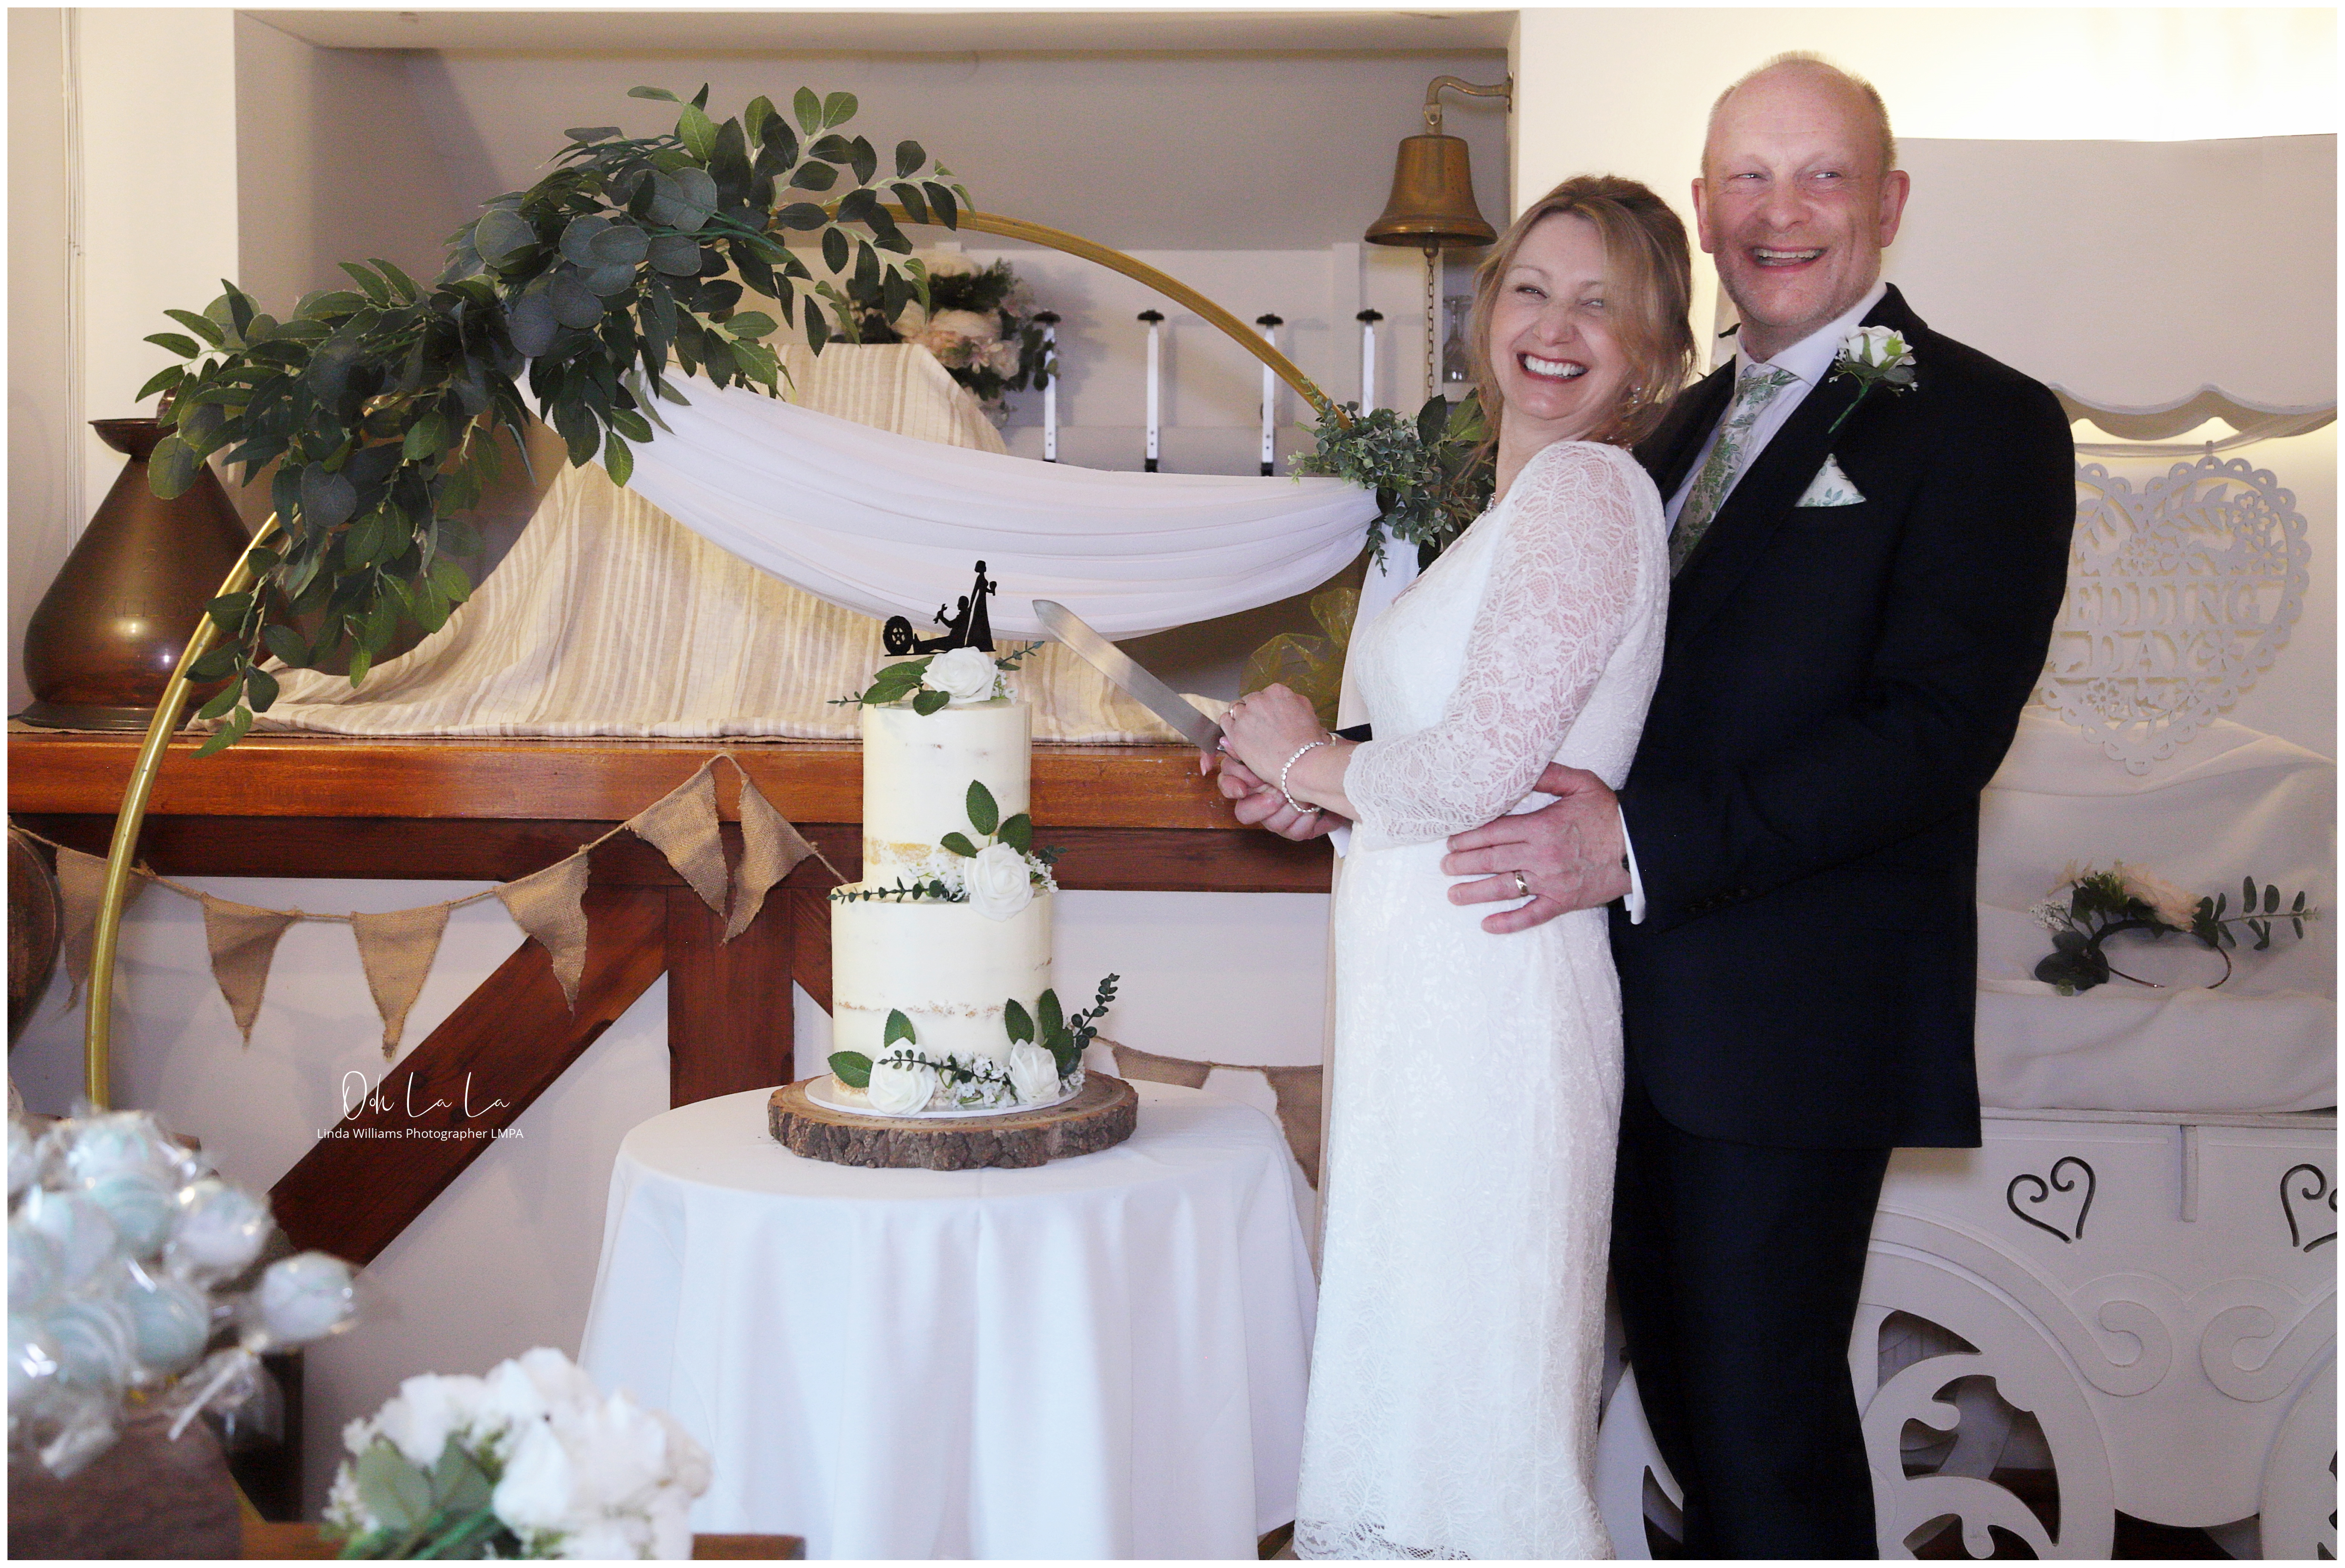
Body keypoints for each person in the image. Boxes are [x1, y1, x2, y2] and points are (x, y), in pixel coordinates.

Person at [1436, 56, 2077, 1556]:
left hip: (1787, 1033)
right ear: (1704, 212)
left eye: (1818, 176)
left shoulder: (1978, 423)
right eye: (1743, 179)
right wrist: (1332, 772)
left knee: (1759, 1433)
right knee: (1694, 1427)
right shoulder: (1664, 426)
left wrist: (1633, 843)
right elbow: (1562, 685)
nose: (1775, 213)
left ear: (1888, 205)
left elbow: (1931, 732)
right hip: (1617, 1024)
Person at [1215, 175, 1695, 1559]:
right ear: (1487, 316)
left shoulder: (1589, 494)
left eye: (1601, 302)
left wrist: (1311, 761)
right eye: (1533, 289)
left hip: (1493, 1018)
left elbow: (1485, 764)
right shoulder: (1509, 509)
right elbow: (1433, 768)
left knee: (1477, 1431)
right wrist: (1333, 799)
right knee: (1413, 1398)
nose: (1556, 325)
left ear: (1654, 351)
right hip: (1425, 1015)